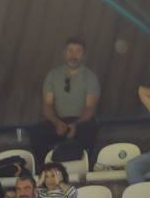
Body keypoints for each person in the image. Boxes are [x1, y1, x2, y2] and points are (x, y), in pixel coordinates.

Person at [30, 36, 100, 170]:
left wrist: (76, 124)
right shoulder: (53, 75)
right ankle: (47, 171)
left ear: (83, 55)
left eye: (78, 51)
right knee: (36, 132)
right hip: (59, 121)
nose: (74, 55)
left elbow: (90, 108)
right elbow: (47, 105)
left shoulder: (90, 77)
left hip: (81, 122)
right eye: (70, 51)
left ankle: (86, 170)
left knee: (91, 129)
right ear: (64, 53)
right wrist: (56, 122)